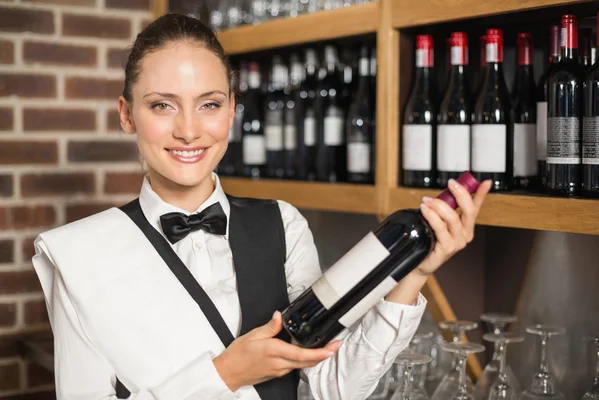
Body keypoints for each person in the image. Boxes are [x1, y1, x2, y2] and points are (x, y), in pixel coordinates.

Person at [31, 13, 492, 400]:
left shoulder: (283, 224)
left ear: (232, 110)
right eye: (162, 106)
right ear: (127, 113)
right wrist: (225, 374)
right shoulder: (77, 255)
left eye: (209, 104)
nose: (189, 130)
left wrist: (413, 273)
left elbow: (336, 384)